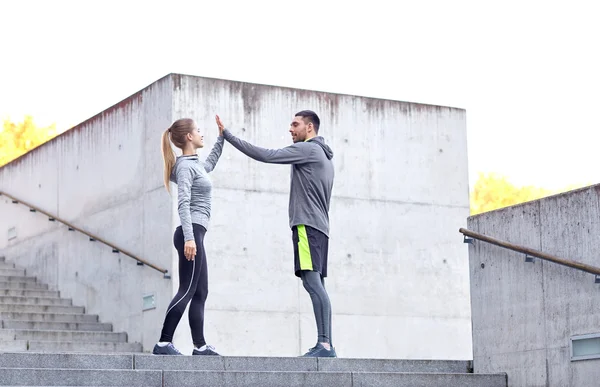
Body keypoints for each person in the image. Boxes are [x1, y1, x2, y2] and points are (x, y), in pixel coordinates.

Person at [216, 111, 336, 358]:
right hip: (319, 228)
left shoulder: (309, 150)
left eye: (295, 124)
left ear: (309, 127)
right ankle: (325, 344)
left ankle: (325, 345)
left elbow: (267, 156)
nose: (291, 129)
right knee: (317, 284)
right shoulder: (324, 155)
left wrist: (228, 136)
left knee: (312, 283)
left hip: (307, 226)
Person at [153, 118, 224, 356]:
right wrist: (190, 238)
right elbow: (183, 203)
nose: (202, 134)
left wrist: (223, 137)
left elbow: (210, 164)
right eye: (199, 131)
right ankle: (163, 343)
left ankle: (200, 345)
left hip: (195, 233)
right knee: (186, 289)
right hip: (190, 232)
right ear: (189, 137)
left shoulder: (195, 164)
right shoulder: (184, 167)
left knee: (200, 292)